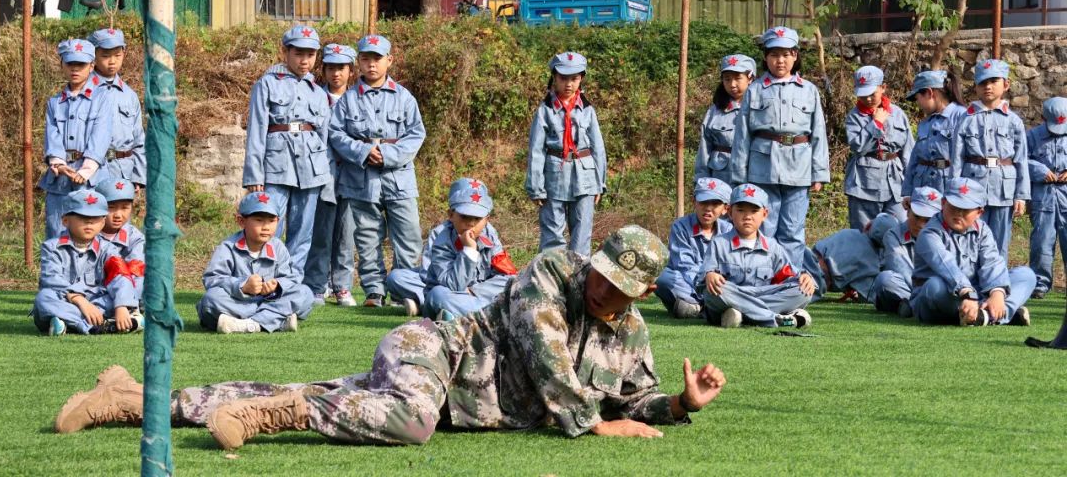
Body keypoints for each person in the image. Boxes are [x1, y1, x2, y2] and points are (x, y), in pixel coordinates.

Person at [53, 226, 728, 451]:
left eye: (618, 286)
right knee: (409, 422)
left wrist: (678, 404)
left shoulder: (632, 332)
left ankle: (130, 399)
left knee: (336, 396)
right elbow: (546, 350)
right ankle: (280, 416)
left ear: (643, 292)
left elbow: (635, 397)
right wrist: (590, 422)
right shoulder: (554, 271)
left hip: (459, 403)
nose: (601, 289)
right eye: (602, 274)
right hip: (434, 351)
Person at [328, 35, 426, 308]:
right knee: (367, 237)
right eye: (366, 59)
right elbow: (335, 134)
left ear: (389, 61)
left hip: (399, 177)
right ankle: (374, 291)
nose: (371, 64)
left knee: (408, 235)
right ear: (358, 62)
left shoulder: (404, 97)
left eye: (377, 58)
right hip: (361, 178)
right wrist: (362, 151)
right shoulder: (348, 100)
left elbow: (416, 134)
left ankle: (404, 291)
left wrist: (388, 155)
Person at [730, 26, 829, 269]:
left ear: (795, 55)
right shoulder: (755, 90)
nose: (780, 61)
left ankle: (789, 279)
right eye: (774, 55)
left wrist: (819, 173)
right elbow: (742, 136)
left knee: (793, 231)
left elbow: (818, 133)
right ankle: (762, 276)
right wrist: (739, 176)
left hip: (799, 168)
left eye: (785, 54)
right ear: (766, 58)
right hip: (762, 169)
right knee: (765, 227)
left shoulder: (809, 90)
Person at [242, 25, 332, 275]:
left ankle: (292, 282)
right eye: (299, 54)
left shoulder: (317, 91)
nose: (305, 61)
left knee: (303, 231)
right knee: (269, 227)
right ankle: (264, 279)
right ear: (285, 52)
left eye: (310, 55)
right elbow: (256, 131)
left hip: (311, 170)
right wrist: (254, 175)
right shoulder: (267, 84)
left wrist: (324, 173)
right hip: (276, 166)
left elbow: (323, 136)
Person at [910, 178, 1035, 326]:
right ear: (943, 204)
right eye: (954, 207)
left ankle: (983, 316)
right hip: (944, 297)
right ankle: (995, 316)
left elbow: (992, 262)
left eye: (965, 209)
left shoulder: (983, 229)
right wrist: (967, 293)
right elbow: (946, 266)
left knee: (1026, 275)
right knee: (934, 286)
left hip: (977, 295)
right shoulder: (929, 233)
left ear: (979, 212)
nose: (958, 213)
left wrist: (997, 293)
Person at [699, 184, 818, 328]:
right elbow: (701, 282)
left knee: (803, 291)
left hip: (756, 297)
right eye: (741, 210)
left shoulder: (772, 247)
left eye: (754, 211)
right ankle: (774, 319)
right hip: (730, 293)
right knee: (715, 291)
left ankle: (741, 315)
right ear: (730, 212)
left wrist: (805, 277)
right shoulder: (719, 243)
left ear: (765, 214)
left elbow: (788, 275)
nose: (747, 217)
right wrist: (709, 275)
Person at [196, 191, 315, 334]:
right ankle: (275, 321)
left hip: (269, 301)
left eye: (271, 221)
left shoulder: (278, 247)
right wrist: (242, 286)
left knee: (305, 293)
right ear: (241, 221)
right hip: (239, 303)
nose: (266, 227)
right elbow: (212, 279)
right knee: (211, 299)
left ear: (278, 221)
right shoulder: (227, 247)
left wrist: (277, 287)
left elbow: (290, 278)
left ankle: (245, 324)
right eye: (259, 220)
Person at [526, 51, 607, 256]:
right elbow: (536, 150)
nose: (569, 84)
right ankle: (553, 273)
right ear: (554, 77)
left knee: (582, 232)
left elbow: (598, 147)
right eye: (563, 78)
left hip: (585, 176)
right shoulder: (545, 110)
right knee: (552, 235)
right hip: (554, 176)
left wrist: (600, 182)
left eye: (574, 79)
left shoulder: (587, 110)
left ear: (581, 79)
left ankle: (579, 274)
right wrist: (536, 186)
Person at [31, 189, 140, 336]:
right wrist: (80, 301)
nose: (89, 222)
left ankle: (66, 323)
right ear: (65, 221)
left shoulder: (108, 249)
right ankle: (94, 326)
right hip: (65, 300)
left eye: (95, 218)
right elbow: (51, 279)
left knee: (116, 297)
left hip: (96, 303)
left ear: (102, 223)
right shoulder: (51, 247)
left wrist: (121, 306)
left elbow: (120, 275)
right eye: (82, 217)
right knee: (44, 298)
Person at [950, 59, 1030, 259]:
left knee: (1000, 242)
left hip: (1003, 190)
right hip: (972, 188)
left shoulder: (1014, 121)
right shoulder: (966, 119)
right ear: (975, 87)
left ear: (1006, 84)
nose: (988, 86)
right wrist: (953, 193)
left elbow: (1021, 160)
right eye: (982, 82)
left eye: (994, 81)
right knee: (970, 239)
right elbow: (957, 159)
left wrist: (1021, 196)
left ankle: (998, 277)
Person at [39, 39, 114, 239]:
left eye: (80, 64)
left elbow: (101, 135)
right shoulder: (55, 103)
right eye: (70, 63)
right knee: (57, 232)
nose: (75, 69)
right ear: (62, 65)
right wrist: (58, 164)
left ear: (91, 66)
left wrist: (87, 169)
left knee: (91, 232)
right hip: (61, 179)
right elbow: (52, 135)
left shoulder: (102, 98)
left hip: (92, 179)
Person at [304, 42, 359, 307]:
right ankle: (317, 284)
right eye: (331, 68)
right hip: (322, 172)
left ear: (351, 71)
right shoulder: (314, 95)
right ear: (323, 70)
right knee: (321, 231)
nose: (336, 74)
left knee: (346, 232)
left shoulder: (359, 99)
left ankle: (342, 286)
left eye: (342, 68)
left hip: (352, 173)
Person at [420, 178, 517, 320]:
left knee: (514, 284)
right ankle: (489, 316)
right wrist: (469, 251)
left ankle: (464, 316)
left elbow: (508, 276)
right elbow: (454, 286)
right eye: (464, 217)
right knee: (437, 294)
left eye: (477, 219)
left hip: (477, 295)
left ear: (487, 219)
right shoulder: (442, 242)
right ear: (451, 215)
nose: (471, 223)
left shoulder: (490, 237)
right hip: (452, 298)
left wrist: (474, 291)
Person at [386, 177, 483, 317]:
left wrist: (475, 289)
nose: (471, 221)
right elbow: (427, 272)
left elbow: (503, 275)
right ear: (452, 212)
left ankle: (425, 304)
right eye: (464, 214)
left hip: (474, 289)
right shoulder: (440, 233)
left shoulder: (489, 234)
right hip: (442, 284)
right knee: (396, 277)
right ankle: (431, 303)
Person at [843, 66, 913, 229]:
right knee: (864, 234)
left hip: (895, 183)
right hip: (864, 184)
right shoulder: (854, 117)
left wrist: (910, 185)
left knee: (900, 229)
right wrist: (876, 124)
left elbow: (908, 151)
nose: (867, 99)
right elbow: (858, 147)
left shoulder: (897, 113)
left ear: (883, 88)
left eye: (872, 94)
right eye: (863, 95)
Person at [655, 177, 733, 319]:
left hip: (718, 285)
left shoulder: (729, 231)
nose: (708, 208)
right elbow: (684, 265)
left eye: (715, 204)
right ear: (694, 202)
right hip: (689, 283)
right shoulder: (680, 226)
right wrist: (705, 282)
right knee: (661, 276)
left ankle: (694, 308)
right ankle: (710, 308)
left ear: (725, 209)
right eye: (703, 202)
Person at [868, 187, 941, 317]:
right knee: (885, 279)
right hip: (909, 288)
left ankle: (912, 306)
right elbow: (902, 270)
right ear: (908, 212)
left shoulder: (946, 235)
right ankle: (921, 305)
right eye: (916, 217)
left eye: (927, 219)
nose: (920, 224)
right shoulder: (893, 235)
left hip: (935, 288)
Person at [87, 28, 146, 188]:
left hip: (122, 172)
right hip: (91, 173)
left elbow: (138, 139)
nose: (112, 61)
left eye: (117, 55)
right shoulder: (83, 91)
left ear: (124, 54)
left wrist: (138, 177)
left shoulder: (129, 95)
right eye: (105, 56)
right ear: (93, 56)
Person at [901, 70, 967, 202]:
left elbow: (967, 158)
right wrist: (907, 192)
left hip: (948, 188)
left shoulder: (962, 116)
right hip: (922, 189)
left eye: (918, 98)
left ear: (930, 93)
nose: (918, 103)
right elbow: (914, 158)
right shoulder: (925, 123)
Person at [1026, 97, 1067, 300]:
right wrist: (1039, 170)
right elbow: (1020, 160)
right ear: (1043, 118)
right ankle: (1040, 283)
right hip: (1043, 197)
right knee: (1042, 242)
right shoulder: (1032, 136)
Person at [694, 54, 755, 184]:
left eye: (738, 78)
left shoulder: (761, 109)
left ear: (750, 78)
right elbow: (704, 149)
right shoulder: (715, 111)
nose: (732, 84)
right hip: (720, 178)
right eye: (727, 79)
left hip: (752, 176)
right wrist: (701, 181)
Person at [94, 179, 145, 300]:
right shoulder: (88, 233)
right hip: (92, 290)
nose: (118, 215)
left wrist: (124, 299)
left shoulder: (135, 238)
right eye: (111, 207)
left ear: (132, 208)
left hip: (126, 291)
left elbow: (135, 272)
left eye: (125, 208)